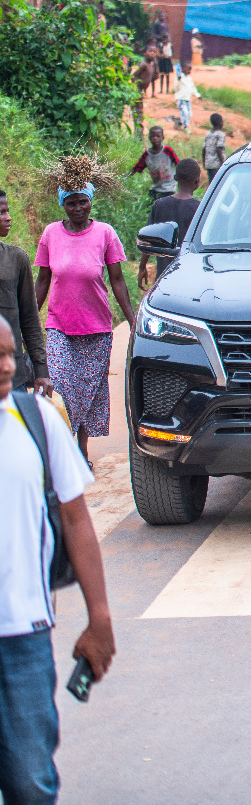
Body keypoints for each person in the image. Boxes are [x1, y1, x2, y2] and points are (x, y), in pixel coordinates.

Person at [0, 314, 116, 805]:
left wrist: (100, 617)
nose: (8, 366)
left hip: (24, 635)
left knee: (31, 783)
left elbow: (76, 519)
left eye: (10, 354)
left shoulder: (38, 421)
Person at [33, 180, 135, 458]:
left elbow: (118, 281)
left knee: (86, 393)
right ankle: (61, 451)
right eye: (71, 203)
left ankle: (81, 452)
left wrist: (133, 322)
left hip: (96, 329)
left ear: (91, 201)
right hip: (59, 326)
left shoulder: (105, 233)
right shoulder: (51, 233)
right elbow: (42, 280)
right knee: (60, 385)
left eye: (83, 201)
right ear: (62, 205)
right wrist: (25, 321)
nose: (78, 208)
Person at [0, 193, 48, 396]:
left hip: (13, 376)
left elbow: (29, 317)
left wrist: (41, 369)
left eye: (8, 211)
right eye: (1, 212)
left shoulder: (16, 258)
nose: (8, 217)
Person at [137, 158, 201, 289]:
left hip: (164, 278)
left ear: (175, 178)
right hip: (192, 279)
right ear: (197, 181)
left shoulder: (159, 205)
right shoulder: (200, 209)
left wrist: (142, 266)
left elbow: (148, 240)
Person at [130, 125, 178, 201]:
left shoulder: (167, 151)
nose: (155, 138)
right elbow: (136, 168)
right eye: (152, 136)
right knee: (149, 205)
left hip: (169, 187)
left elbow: (178, 163)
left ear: (162, 138)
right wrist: (124, 177)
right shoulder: (147, 155)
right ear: (149, 138)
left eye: (158, 136)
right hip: (156, 187)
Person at [202, 113, 228, 184]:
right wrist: (223, 163)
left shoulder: (208, 133)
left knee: (211, 182)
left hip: (209, 163)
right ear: (220, 122)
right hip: (217, 164)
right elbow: (219, 148)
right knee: (218, 183)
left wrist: (204, 162)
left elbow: (204, 149)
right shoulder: (221, 134)